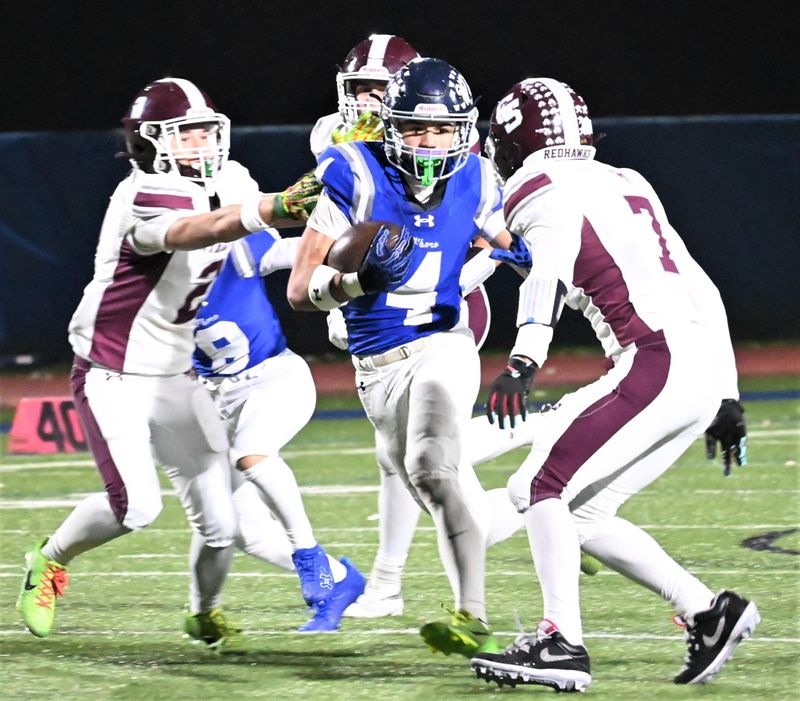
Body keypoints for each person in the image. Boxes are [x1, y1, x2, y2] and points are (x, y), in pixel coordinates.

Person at [469, 77, 758, 692]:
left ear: (515, 139)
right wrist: (729, 392)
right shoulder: (628, 180)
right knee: (584, 512)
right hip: (697, 365)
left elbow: (545, 271)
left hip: (652, 359)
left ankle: (560, 644)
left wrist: (524, 359)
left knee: (538, 485)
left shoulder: (532, 185)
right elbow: (697, 280)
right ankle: (709, 612)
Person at [16, 77, 305, 647]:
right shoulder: (144, 190)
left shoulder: (228, 179)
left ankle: (202, 615)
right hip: (113, 371)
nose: (199, 145)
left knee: (222, 527)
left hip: (175, 373)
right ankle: (48, 561)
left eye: (205, 131)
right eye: (185, 134)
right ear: (151, 141)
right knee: (136, 508)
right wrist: (280, 205)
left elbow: (253, 237)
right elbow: (202, 228)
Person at [286, 56, 527, 657]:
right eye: (417, 129)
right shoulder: (353, 171)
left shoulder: (478, 178)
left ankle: (471, 615)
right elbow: (300, 290)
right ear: (391, 127)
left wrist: (545, 263)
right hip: (375, 365)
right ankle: (542, 506)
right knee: (438, 490)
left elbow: (514, 246)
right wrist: (356, 284)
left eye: (442, 129)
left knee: (430, 465)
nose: (429, 141)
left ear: (462, 131)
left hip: (444, 343)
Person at [192, 228, 365, 632]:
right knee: (238, 528)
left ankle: (310, 555)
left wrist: (344, 288)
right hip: (216, 399)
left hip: (274, 378)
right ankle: (341, 580)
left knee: (252, 453)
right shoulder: (151, 282)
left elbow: (303, 252)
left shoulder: (231, 249)